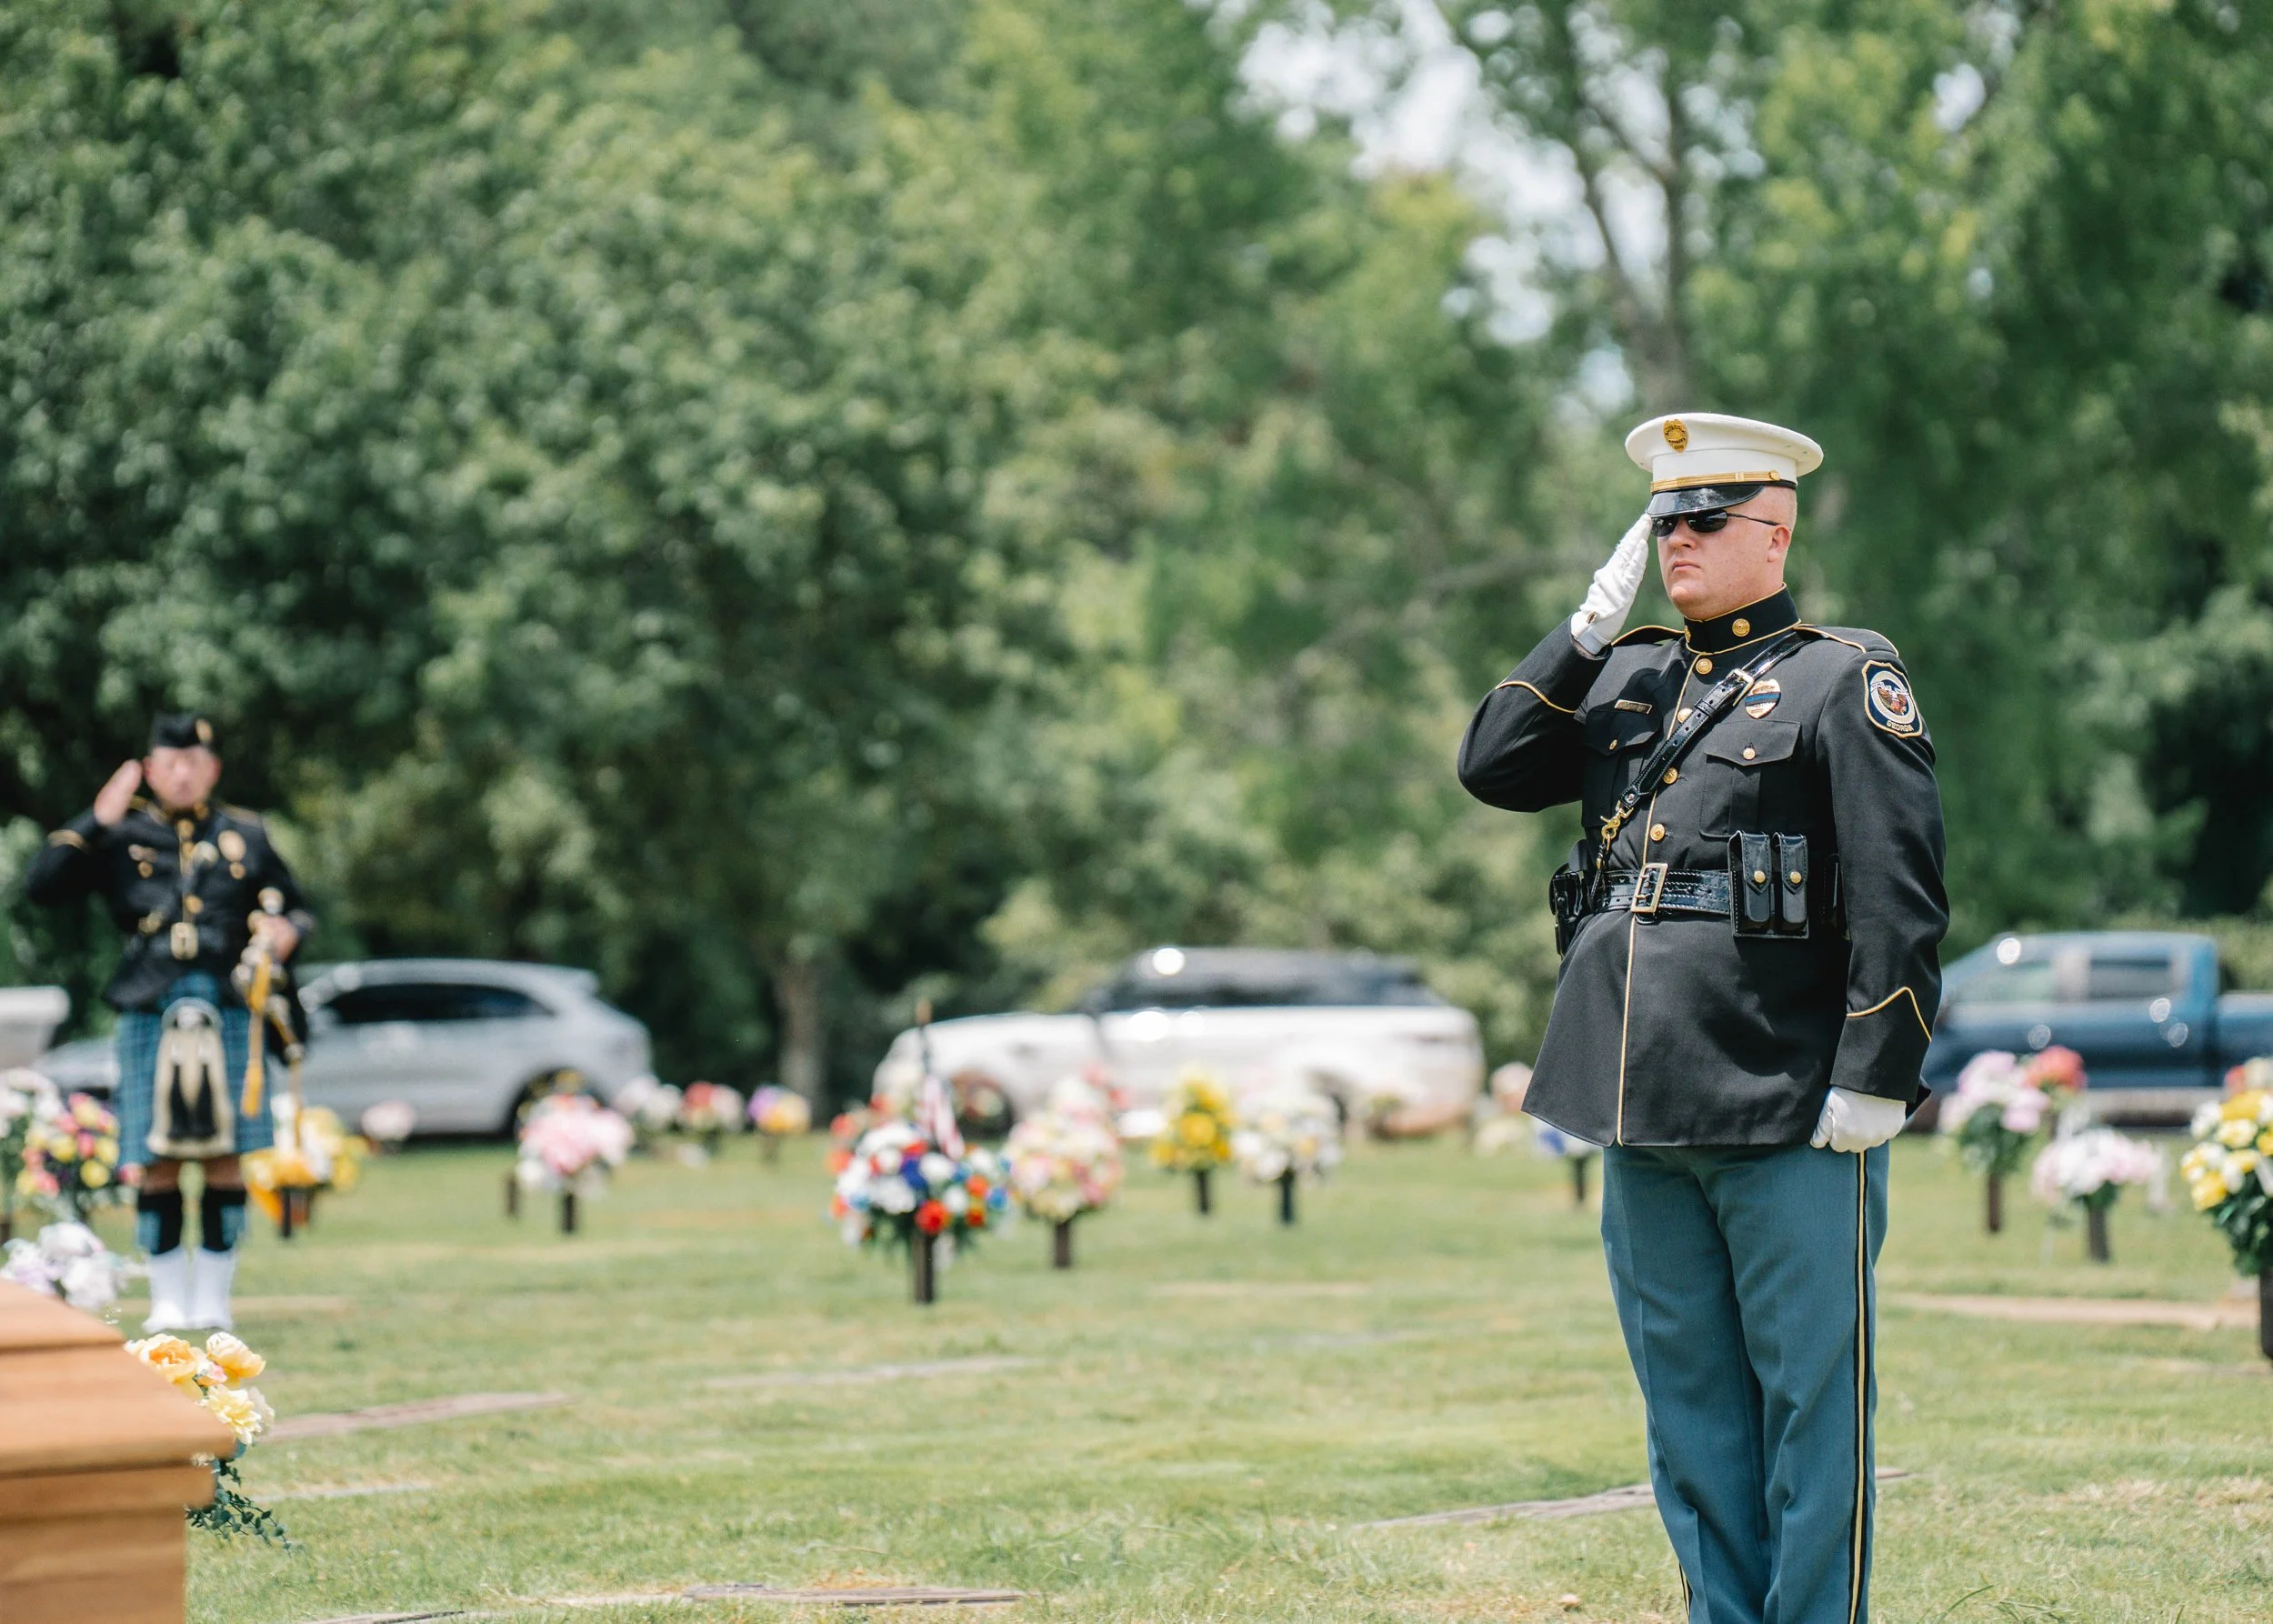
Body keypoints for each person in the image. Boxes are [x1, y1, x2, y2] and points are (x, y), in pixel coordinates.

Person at [1457, 413, 1947, 1624]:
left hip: (1785, 1100)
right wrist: (1578, 630)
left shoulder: (1844, 675)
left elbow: (1900, 887)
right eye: (1664, 518)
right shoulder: (1627, 674)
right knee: (1689, 1409)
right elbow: (1493, 763)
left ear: (1773, 532)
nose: (1677, 537)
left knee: (1810, 1406)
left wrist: (1875, 1063)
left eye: (1705, 517)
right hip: (1640, 1100)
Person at [25, 714, 314, 1332]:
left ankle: (214, 1297)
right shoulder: (120, 834)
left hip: (228, 1002)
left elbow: (296, 908)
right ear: (150, 770)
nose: (182, 774)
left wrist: (287, 933)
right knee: (152, 1155)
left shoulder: (246, 834)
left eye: (194, 762)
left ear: (212, 768)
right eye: (170, 762)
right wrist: (95, 819)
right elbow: (42, 887)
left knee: (225, 1156)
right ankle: (166, 1300)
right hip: (148, 1003)